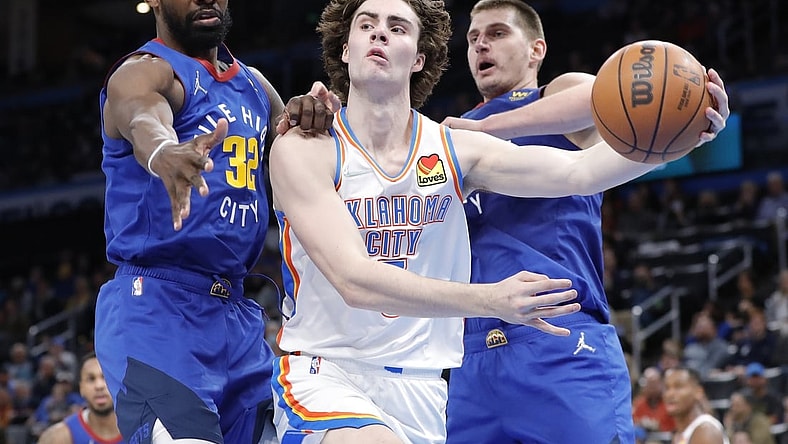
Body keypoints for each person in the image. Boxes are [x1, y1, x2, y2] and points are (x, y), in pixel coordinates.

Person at [268, 0, 728, 443]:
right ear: (345, 50)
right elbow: (354, 280)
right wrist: (489, 299)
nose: (380, 34)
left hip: (425, 385)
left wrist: (688, 132)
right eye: (367, 24)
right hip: (328, 371)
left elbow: (579, 171)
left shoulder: (455, 146)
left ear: (419, 58)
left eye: (397, 26)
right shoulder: (307, 145)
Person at [438, 1, 728, 443]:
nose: (480, 44)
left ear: (536, 50)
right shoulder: (447, 134)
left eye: (497, 33)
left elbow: (603, 97)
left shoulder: (552, 96)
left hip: (560, 340)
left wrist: (486, 129)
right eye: (473, 37)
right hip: (470, 356)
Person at [94, 0, 337, 442]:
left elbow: (301, 159)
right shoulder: (143, 72)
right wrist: (164, 152)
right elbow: (143, 116)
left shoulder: (255, 87)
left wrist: (308, 119)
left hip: (236, 317)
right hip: (157, 310)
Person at [38, 352, 125, 444]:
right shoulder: (58, 437)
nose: (99, 386)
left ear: (119, 383)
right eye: (91, 379)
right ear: (81, 388)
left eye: (105, 377)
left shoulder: (135, 430)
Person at [663, 366, 729, 444]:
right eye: (667, 388)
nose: (670, 394)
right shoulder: (682, 433)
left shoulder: (705, 431)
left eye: (678, 387)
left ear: (698, 392)